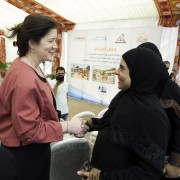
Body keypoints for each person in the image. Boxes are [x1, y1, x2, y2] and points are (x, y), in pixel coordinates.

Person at [0, 14, 85, 180]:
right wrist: (67, 127)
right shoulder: (23, 79)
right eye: (50, 41)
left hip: (34, 151)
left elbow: (39, 115)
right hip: (24, 157)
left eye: (56, 41)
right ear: (32, 43)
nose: (55, 46)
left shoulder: (31, 68)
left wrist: (64, 125)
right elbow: (29, 131)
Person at [77, 47, 170, 180]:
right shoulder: (125, 97)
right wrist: (89, 124)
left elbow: (149, 173)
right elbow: (110, 121)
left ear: (139, 72)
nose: (116, 72)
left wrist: (101, 177)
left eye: (122, 68)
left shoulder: (152, 116)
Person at [138, 42, 180, 179]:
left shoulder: (170, 88)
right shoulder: (139, 85)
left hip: (164, 161)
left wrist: (175, 164)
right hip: (141, 158)